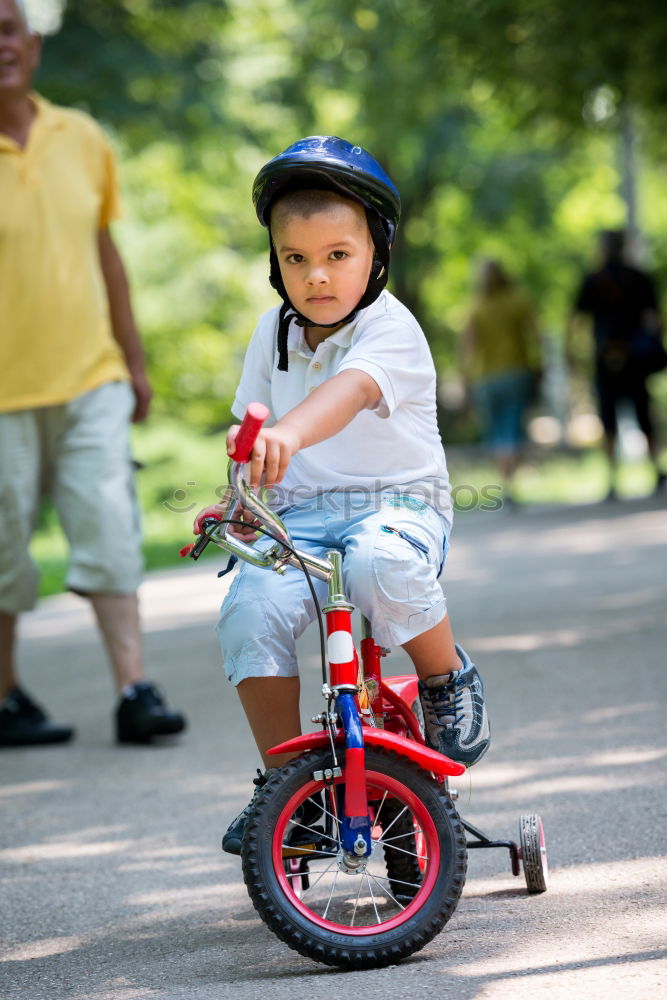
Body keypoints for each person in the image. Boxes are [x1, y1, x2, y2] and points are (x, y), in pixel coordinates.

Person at [193, 136, 490, 856]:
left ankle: (446, 678)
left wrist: (288, 435)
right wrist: (240, 486)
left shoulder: (391, 327)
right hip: (297, 516)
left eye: (336, 255)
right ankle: (283, 785)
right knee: (248, 608)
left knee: (378, 565)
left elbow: (350, 392)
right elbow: (251, 426)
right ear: (274, 262)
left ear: (376, 253)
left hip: (397, 508)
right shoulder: (271, 333)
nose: (316, 277)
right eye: (295, 258)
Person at [0, 0, 186, 746]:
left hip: (90, 377)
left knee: (109, 525)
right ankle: (7, 696)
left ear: (34, 43)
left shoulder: (82, 138)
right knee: (4, 548)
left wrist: (133, 362)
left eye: (9, 29)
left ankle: (134, 690)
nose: (0, 45)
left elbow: (106, 256)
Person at [566, 229, 666, 499]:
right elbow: (655, 318)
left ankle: (612, 478)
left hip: (605, 358)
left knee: (609, 418)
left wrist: (572, 355)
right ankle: (657, 470)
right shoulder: (639, 277)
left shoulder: (593, 280)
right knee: (642, 412)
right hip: (635, 357)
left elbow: (575, 320)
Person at [460, 258, 541, 505]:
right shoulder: (519, 300)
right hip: (516, 373)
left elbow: (468, 348)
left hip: (486, 379)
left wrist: (465, 379)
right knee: (512, 428)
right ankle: (509, 485)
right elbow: (535, 337)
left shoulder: (476, 307)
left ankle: (504, 483)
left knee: (495, 432)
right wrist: (539, 366)